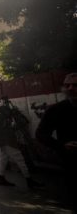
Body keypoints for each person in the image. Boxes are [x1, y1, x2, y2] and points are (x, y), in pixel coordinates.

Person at [36, 72, 77, 211]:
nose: (71, 88)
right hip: (72, 163)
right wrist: (61, 146)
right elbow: (40, 134)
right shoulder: (56, 110)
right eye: (67, 85)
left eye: (75, 85)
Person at [0, 102, 43, 188]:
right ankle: (29, 179)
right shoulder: (3, 119)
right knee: (20, 159)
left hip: (4, 143)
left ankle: (1, 178)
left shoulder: (1, 119)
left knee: (3, 161)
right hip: (8, 142)